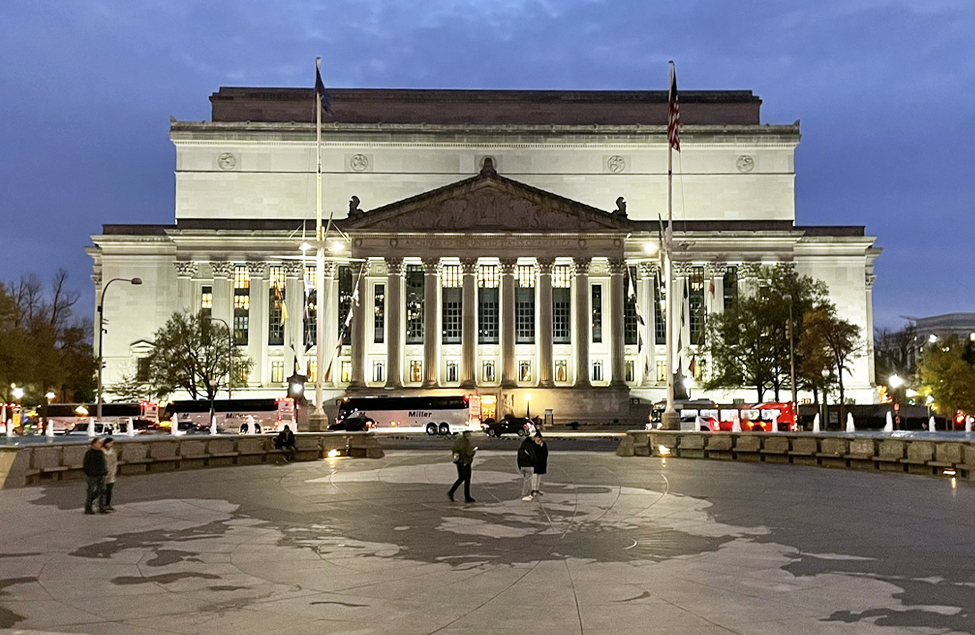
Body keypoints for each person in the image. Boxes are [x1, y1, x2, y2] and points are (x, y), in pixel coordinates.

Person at [448, 430, 476, 503]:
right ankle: (452, 492)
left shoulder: (461, 441)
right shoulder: (464, 443)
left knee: (465, 479)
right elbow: (467, 453)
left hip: (462, 462)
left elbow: (456, 450)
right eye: (468, 434)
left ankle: (466, 496)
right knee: (464, 478)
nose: (469, 436)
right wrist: (473, 451)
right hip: (464, 462)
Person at [82, 438, 108, 515]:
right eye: (98, 443)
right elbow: (86, 464)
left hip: (101, 474)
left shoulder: (101, 452)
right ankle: (88, 507)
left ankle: (101, 507)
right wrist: (88, 472)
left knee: (102, 490)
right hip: (92, 475)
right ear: (94, 444)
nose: (100, 444)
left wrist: (105, 471)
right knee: (90, 491)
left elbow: (103, 462)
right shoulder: (89, 453)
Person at [100, 437, 119, 512]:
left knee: (109, 490)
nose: (111, 445)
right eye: (110, 443)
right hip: (103, 473)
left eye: (112, 443)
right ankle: (102, 506)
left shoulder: (113, 451)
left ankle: (108, 504)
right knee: (102, 490)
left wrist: (114, 471)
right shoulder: (101, 452)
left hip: (111, 473)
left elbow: (115, 462)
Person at [517, 434, 537, 501]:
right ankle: (525, 493)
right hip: (529, 466)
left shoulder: (520, 449)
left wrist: (519, 467)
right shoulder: (531, 448)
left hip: (522, 466)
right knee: (528, 480)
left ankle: (530, 492)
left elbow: (518, 459)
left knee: (527, 479)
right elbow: (533, 457)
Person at [531, 432, 548, 498]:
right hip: (535, 463)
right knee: (534, 477)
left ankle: (537, 489)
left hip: (541, 463)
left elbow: (545, 453)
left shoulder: (543, 444)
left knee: (539, 477)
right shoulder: (533, 444)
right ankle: (533, 489)